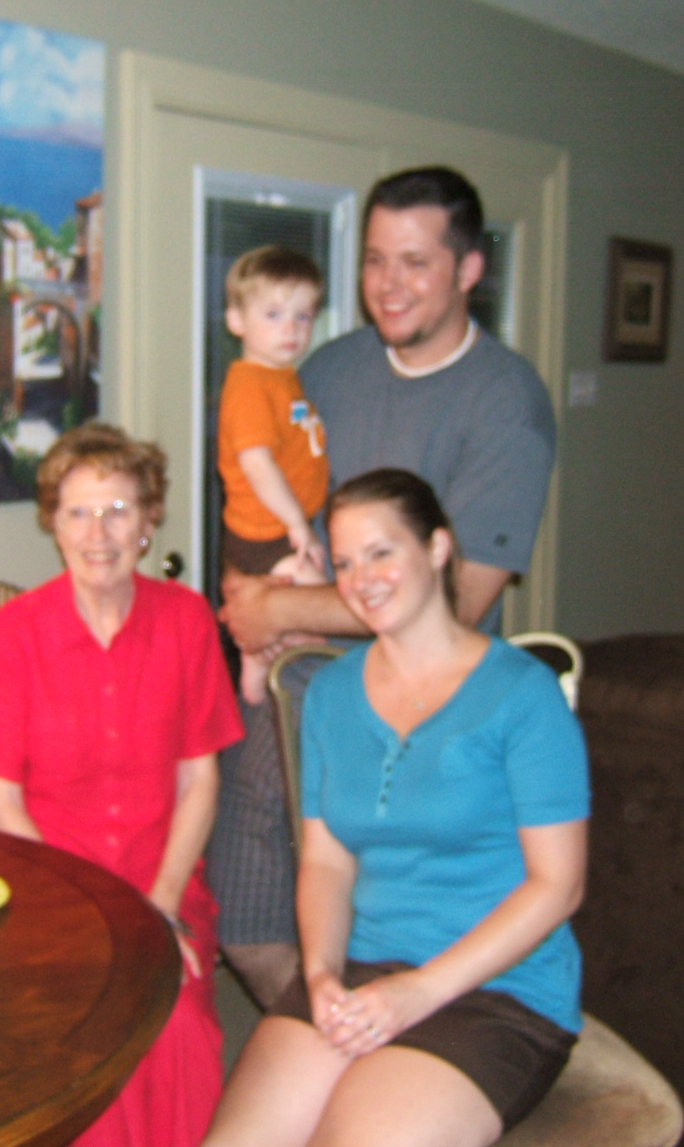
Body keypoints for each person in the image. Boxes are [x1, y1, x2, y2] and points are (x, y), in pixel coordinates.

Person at [209, 166, 559, 1006]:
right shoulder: (328, 370)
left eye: (414, 262)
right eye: (373, 260)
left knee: (383, 950)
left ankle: (371, 1055)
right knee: (246, 921)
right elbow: (260, 499)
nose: (387, 285)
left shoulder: (505, 403)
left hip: (421, 721)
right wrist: (249, 586)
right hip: (295, 690)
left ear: (468, 270)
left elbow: (458, 600)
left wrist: (276, 607)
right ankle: (332, 1042)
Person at [204, 469, 589, 1147]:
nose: (361, 580)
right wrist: (320, 974)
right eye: (345, 562)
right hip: (361, 968)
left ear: (437, 548)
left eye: (381, 553)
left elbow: (558, 887)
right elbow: (326, 862)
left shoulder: (523, 696)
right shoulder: (330, 694)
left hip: (495, 989)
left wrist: (419, 992)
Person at [0, 422, 243, 1147]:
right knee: (75, 1030)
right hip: (50, 889)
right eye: (78, 512)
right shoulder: (16, 634)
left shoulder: (186, 620)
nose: (97, 532)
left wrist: (160, 905)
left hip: (161, 882)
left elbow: (200, 782)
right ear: (53, 524)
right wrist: (90, 916)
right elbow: (2, 804)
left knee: (174, 1027)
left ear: (149, 521)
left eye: (118, 510)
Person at [216, 245, 330, 705]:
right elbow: (257, 464)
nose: (291, 329)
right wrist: (297, 524)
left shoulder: (280, 377)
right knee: (323, 607)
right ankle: (256, 659)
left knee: (310, 612)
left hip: (278, 527)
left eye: (303, 317)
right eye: (274, 314)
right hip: (267, 532)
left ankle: (259, 656)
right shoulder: (250, 386)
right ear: (236, 321)